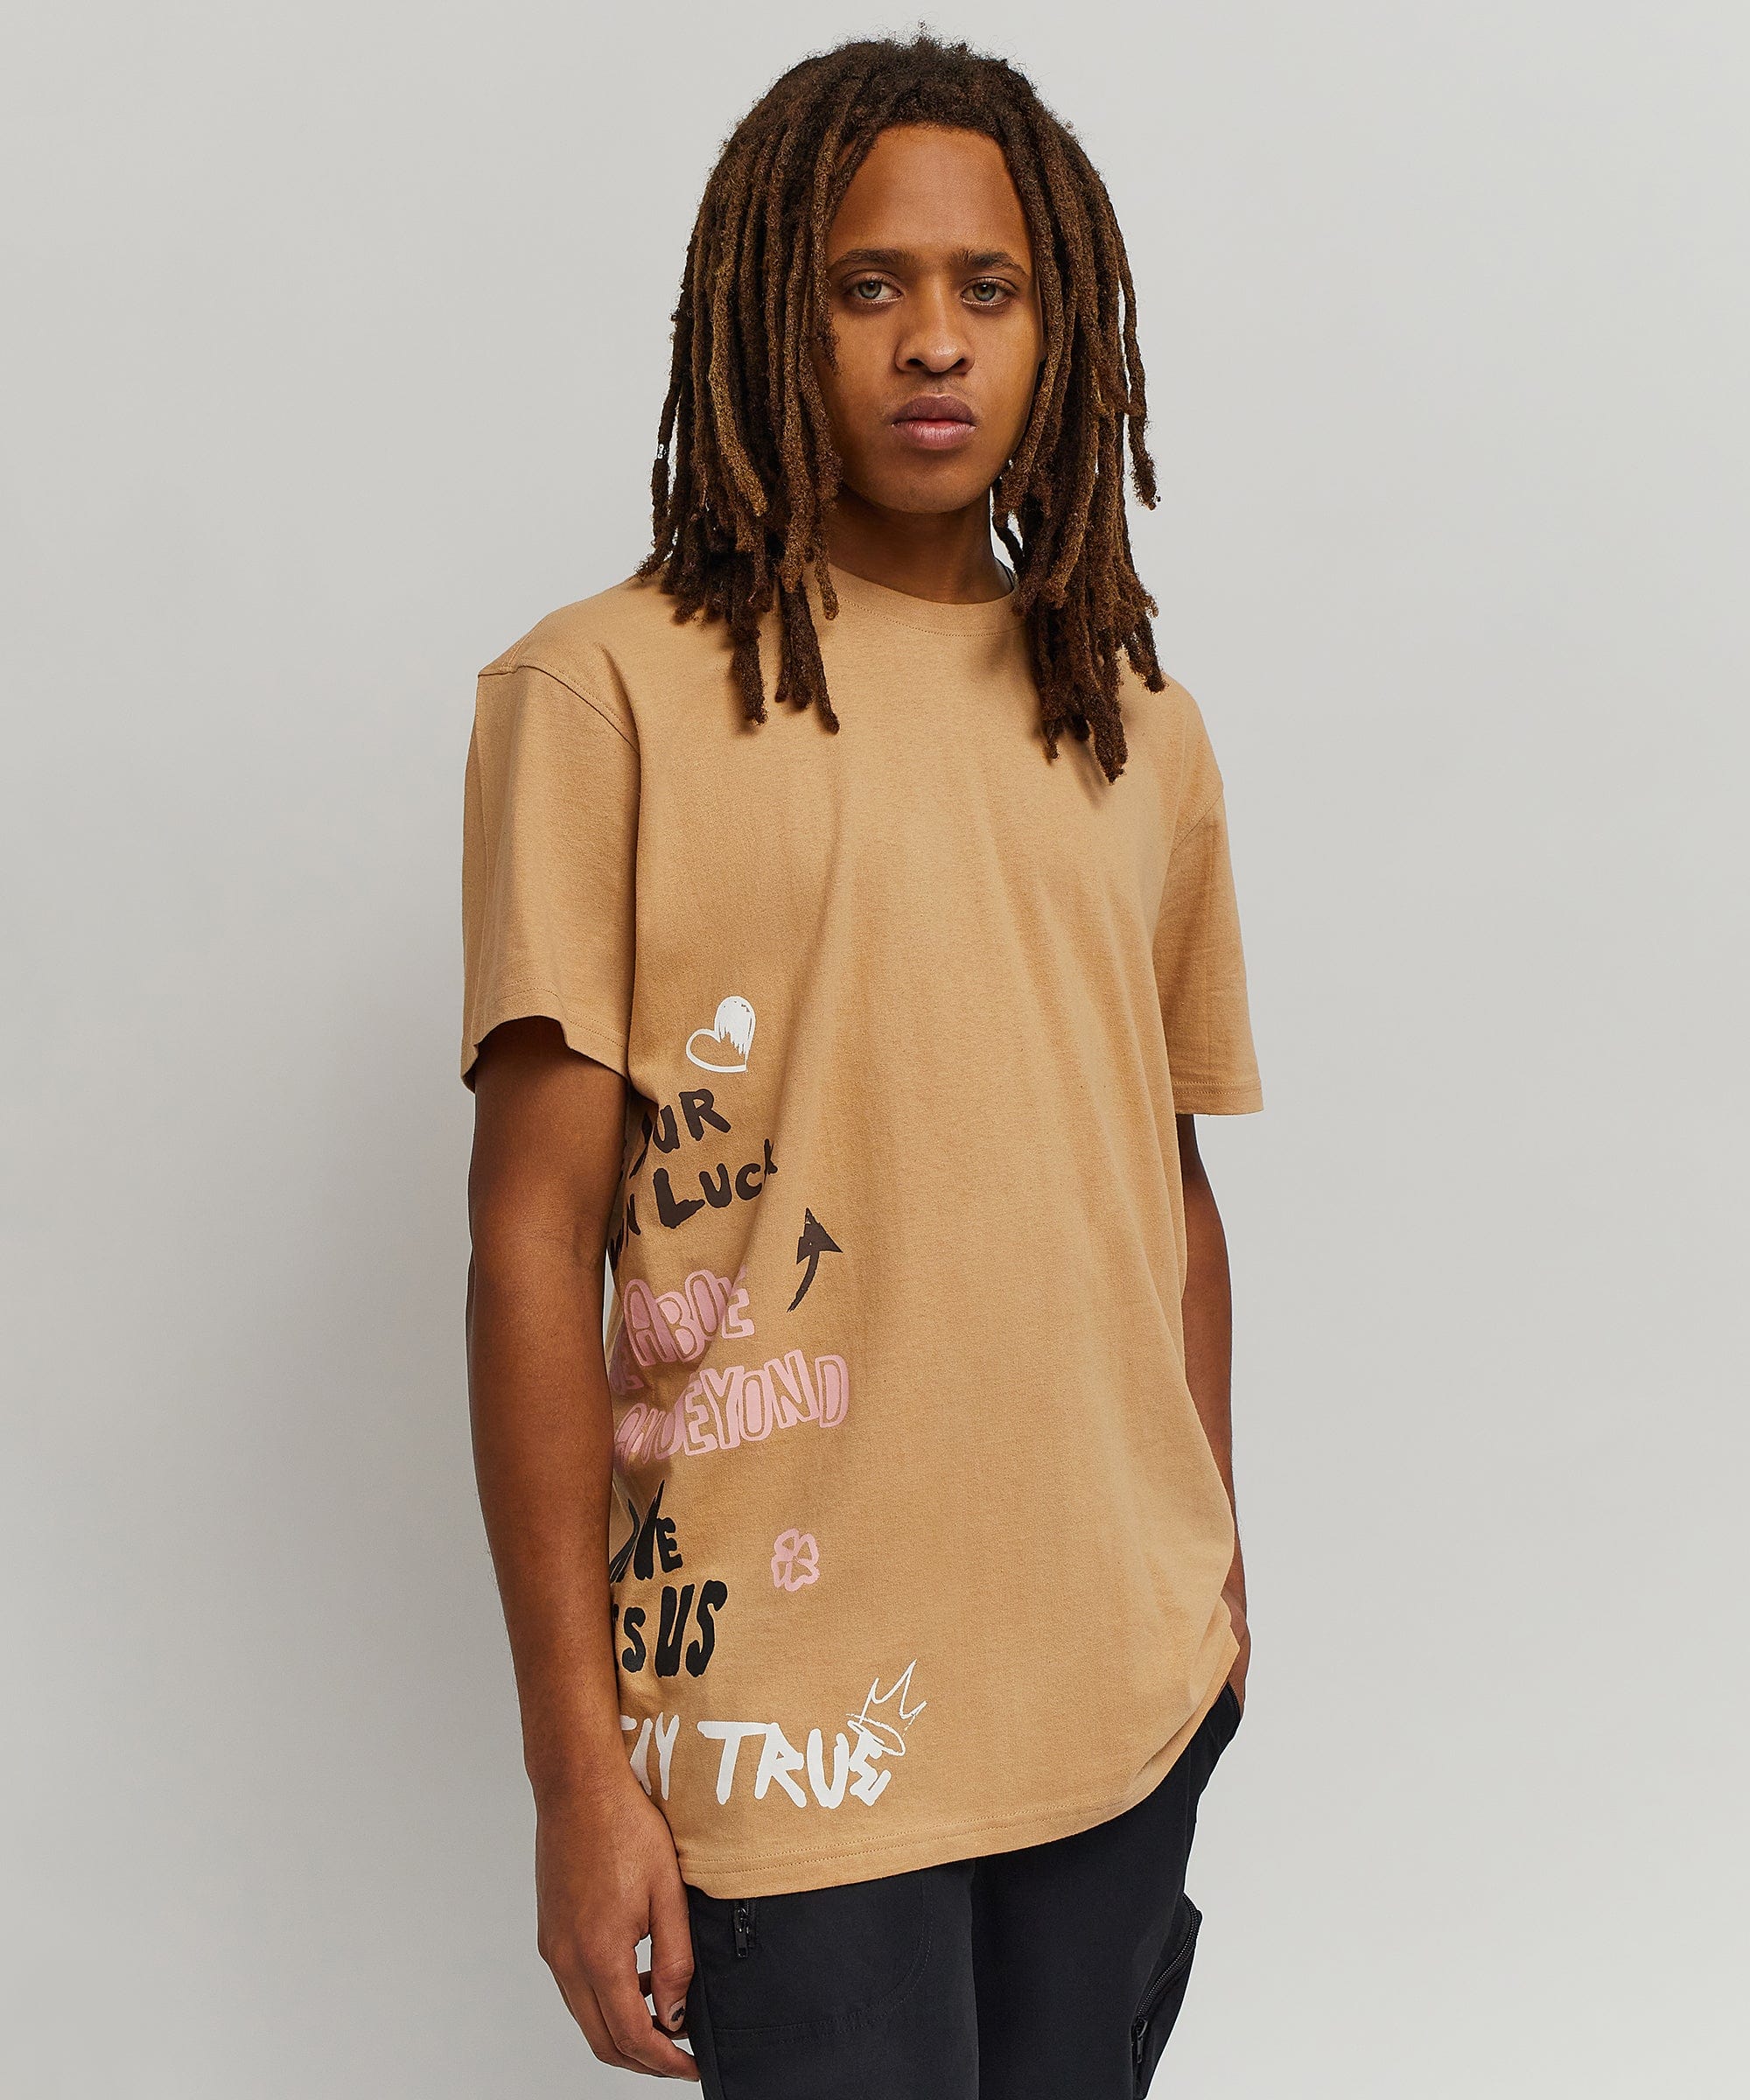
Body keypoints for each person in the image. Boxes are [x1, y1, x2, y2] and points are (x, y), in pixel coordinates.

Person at [460, 32, 1263, 2098]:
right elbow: (531, 1242)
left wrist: (1214, 1572)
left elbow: (1165, 1182)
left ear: (1059, 330)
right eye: (865, 284)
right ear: (766, 311)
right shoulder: (603, 694)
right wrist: (574, 1770)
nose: (933, 341)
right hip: (792, 1713)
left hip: (1117, 1683)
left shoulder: (1135, 724)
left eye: (989, 287)